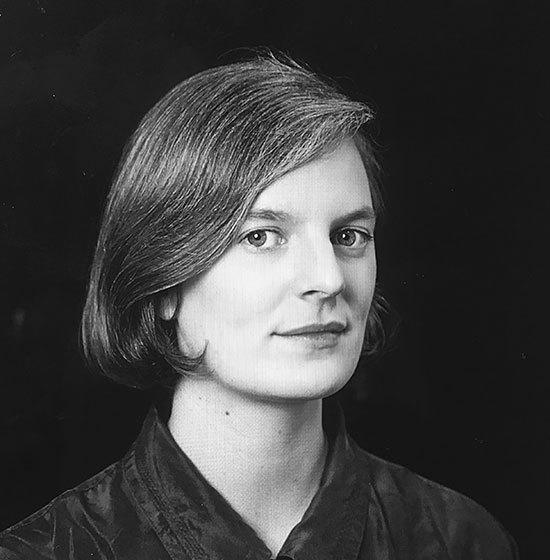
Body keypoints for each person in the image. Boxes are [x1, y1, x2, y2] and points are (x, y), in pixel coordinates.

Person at [0, 54, 518, 560]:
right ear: (163, 283)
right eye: (262, 236)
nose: (329, 279)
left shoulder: (464, 542)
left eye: (349, 235)